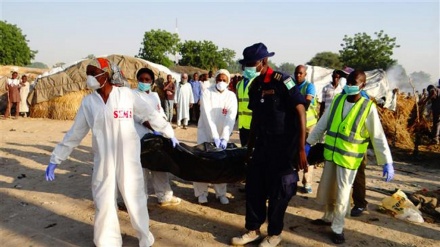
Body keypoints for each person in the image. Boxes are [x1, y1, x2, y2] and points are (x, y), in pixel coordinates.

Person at [44, 58, 172, 247]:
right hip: (104, 159)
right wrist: (56, 158)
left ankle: (144, 238)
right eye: (88, 74)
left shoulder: (126, 95)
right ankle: (107, 241)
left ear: (107, 74)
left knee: (134, 196)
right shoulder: (89, 103)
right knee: (103, 198)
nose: (90, 78)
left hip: (128, 158)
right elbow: (75, 133)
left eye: (93, 73)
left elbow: (150, 114)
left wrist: (169, 132)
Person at [231, 43, 308, 247]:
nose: (247, 67)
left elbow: (301, 111)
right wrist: (249, 148)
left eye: (251, 63)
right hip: (262, 147)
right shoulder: (255, 85)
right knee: (254, 188)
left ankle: (274, 234)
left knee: (278, 193)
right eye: (245, 64)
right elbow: (256, 119)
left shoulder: (284, 81)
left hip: (283, 148)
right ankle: (253, 229)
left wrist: (301, 149)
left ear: (264, 61)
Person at [306, 70, 394, 244]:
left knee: (343, 194)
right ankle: (328, 217)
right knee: (329, 188)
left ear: (363, 85)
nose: (350, 85)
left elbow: (378, 136)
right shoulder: (338, 100)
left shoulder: (367, 108)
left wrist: (386, 161)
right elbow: (323, 122)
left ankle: (337, 228)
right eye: (349, 82)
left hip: (349, 160)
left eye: (355, 83)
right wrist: (309, 142)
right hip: (331, 155)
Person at [133, 68, 181, 206]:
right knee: (142, 169)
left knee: (159, 167)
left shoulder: (154, 96)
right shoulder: (133, 95)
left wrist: (166, 129)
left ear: (152, 82)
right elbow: (139, 116)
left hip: (158, 137)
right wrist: (156, 129)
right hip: (141, 136)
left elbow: (159, 113)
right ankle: (139, 201)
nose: (143, 82)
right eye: (141, 79)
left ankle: (164, 196)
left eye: (147, 80)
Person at [193, 69, 238, 205]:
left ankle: (221, 193)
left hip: (221, 137)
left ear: (228, 82)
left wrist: (224, 137)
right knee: (202, 162)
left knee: (221, 164)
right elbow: (207, 115)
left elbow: (230, 118)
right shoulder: (207, 93)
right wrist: (214, 136)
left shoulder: (231, 96)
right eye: (219, 79)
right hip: (205, 133)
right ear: (215, 79)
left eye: (224, 80)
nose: (221, 82)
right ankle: (201, 193)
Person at [293, 65, 317, 194]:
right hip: (295, 124)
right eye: (296, 73)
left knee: (308, 153)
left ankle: (307, 182)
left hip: (309, 125)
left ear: (305, 74)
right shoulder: (292, 85)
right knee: (295, 151)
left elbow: (307, 104)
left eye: (301, 73)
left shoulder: (309, 86)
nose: (298, 75)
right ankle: (293, 179)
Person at [236, 61, 259, 147]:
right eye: (246, 66)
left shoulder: (257, 82)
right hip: (242, 125)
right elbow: (238, 104)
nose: (248, 68)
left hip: (253, 124)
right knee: (244, 150)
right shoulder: (239, 84)